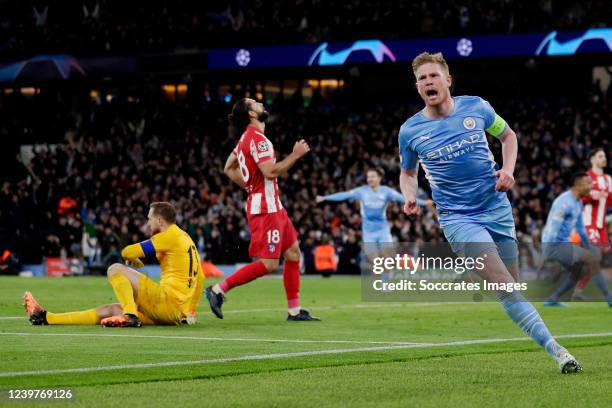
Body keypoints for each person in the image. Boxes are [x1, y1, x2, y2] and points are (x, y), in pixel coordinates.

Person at [398, 51, 581, 373]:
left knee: (512, 283)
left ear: (448, 80)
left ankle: (473, 269)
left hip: (496, 208)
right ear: (417, 87)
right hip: (458, 217)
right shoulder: (410, 131)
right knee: (504, 285)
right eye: (422, 78)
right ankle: (558, 351)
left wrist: (508, 170)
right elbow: (408, 172)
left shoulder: (477, 107)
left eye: (433, 76)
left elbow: (508, 136)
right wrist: (409, 196)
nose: (428, 82)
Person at [205, 98, 320, 321]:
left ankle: (294, 311)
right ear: (251, 114)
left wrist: (249, 186)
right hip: (266, 209)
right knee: (269, 264)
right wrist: (296, 154)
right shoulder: (258, 140)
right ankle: (218, 289)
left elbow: (228, 168)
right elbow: (270, 172)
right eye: (255, 103)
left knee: (293, 252)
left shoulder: (244, 140)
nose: (260, 103)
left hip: (273, 205)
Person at [23, 202, 205, 327]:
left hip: (166, 302)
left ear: (160, 221)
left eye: (149, 219)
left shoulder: (168, 236)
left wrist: (134, 259)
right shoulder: (185, 238)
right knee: (109, 310)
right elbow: (201, 276)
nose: (148, 224)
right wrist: (189, 311)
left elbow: (127, 252)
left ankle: (131, 316)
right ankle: (46, 317)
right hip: (173, 312)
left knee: (115, 269)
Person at [316, 168, 432, 249]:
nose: (369, 179)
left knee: (387, 260)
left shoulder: (386, 191)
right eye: (368, 177)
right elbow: (344, 195)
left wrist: (423, 202)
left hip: (383, 230)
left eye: (372, 176)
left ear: (379, 178)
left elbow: (403, 198)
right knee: (374, 260)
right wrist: (325, 198)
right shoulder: (361, 191)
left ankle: (385, 284)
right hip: (368, 232)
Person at [542, 173, 611, 307]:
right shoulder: (564, 202)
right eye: (589, 183)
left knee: (580, 270)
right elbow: (553, 228)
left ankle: (553, 299)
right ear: (578, 185)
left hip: (563, 243)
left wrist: (590, 246)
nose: (592, 186)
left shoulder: (578, 202)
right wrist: (546, 251)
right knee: (591, 259)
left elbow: (581, 229)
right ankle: (609, 297)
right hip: (554, 245)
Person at [572, 148, 612, 300]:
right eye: (601, 156)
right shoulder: (587, 177)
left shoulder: (608, 179)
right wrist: (592, 195)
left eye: (605, 156)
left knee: (593, 261)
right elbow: (578, 197)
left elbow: (609, 201)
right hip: (588, 224)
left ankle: (576, 290)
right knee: (593, 259)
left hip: (601, 227)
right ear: (592, 159)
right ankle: (607, 296)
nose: (604, 158)